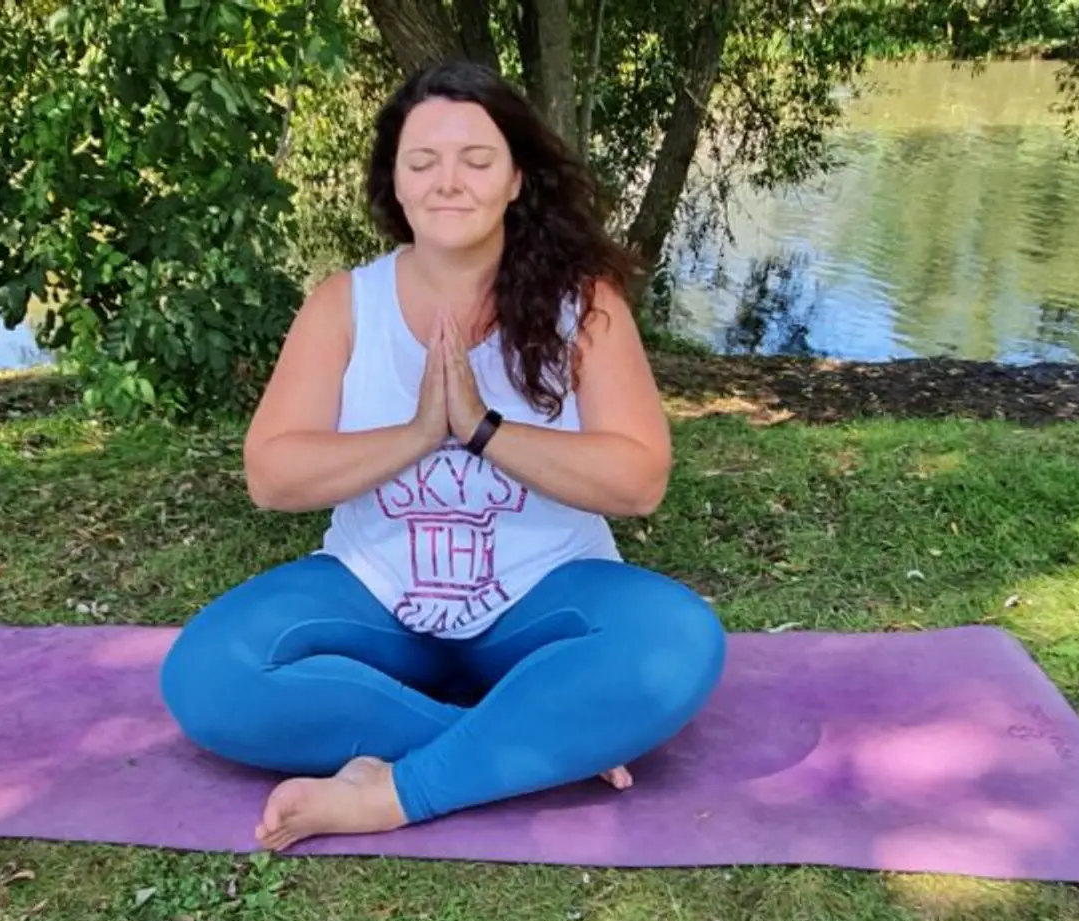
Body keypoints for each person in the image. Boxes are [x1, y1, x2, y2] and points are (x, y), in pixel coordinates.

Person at [158, 59, 727, 851]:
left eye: (476, 160)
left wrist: (483, 428)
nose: (448, 182)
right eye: (422, 162)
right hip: (376, 596)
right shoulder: (343, 304)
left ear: (516, 179)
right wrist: (420, 433)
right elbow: (271, 475)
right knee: (208, 677)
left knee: (678, 641)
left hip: (542, 601)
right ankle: (539, 736)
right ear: (395, 183)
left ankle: (399, 790)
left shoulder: (584, 303)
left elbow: (639, 481)